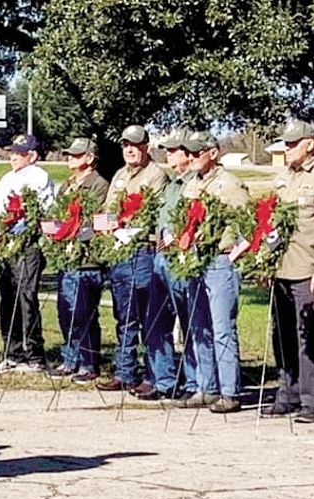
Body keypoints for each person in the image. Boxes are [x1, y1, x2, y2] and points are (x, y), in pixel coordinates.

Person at [265, 122, 314, 422]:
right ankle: (287, 392)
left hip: (307, 268)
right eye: (286, 144)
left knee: (306, 335)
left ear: (310, 144)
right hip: (281, 267)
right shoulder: (284, 176)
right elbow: (269, 221)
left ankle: (311, 400)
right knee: (281, 336)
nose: (288, 148)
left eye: (293, 143)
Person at [177, 131, 249, 413]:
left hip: (220, 260)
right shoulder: (190, 185)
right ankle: (207, 387)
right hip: (195, 258)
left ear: (213, 153)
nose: (193, 158)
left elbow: (247, 224)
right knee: (198, 326)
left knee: (222, 328)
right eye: (190, 153)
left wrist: (234, 254)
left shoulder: (229, 184)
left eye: (198, 152)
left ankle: (230, 391)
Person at [95, 125, 169, 394]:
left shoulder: (156, 176)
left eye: (135, 145)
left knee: (149, 315)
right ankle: (124, 372)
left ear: (146, 146)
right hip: (120, 252)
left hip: (143, 251)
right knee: (124, 315)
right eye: (126, 144)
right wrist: (105, 225)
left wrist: (124, 224)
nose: (130, 150)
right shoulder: (119, 175)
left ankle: (154, 375)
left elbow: (152, 216)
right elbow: (108, 210)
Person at [142, 129, 211, 401]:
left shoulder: (195, 184)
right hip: (161, 258)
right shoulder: (171, 184)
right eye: (167, 150)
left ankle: (194, 383)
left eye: (174, 150)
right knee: (156, 320)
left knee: (190, 321)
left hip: (183, 258)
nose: (169, 154)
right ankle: (164, 380)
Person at [0, 134, 56, 374]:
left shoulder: (39, 176)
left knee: (26, 297)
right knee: (7, 295)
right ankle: (12, 351)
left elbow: (41, 211)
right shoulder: (7, 178)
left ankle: (34, 354)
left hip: (28, 243)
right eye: (12, 153)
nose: (13, 157)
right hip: (7, 242)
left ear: (33, 156)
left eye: (20, 153)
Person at [47, 137, 109, 383]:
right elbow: (58, 213)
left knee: (84, 312)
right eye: (69, 154)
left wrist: (72, 234)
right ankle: (69, 358)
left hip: (87, 259)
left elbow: (94, 219)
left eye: (75, 155)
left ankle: (88, 362)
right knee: (65, 311)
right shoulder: (68, 185)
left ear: (90, 158)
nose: (70, 158)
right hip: (66, 257)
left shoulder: (98, 184)